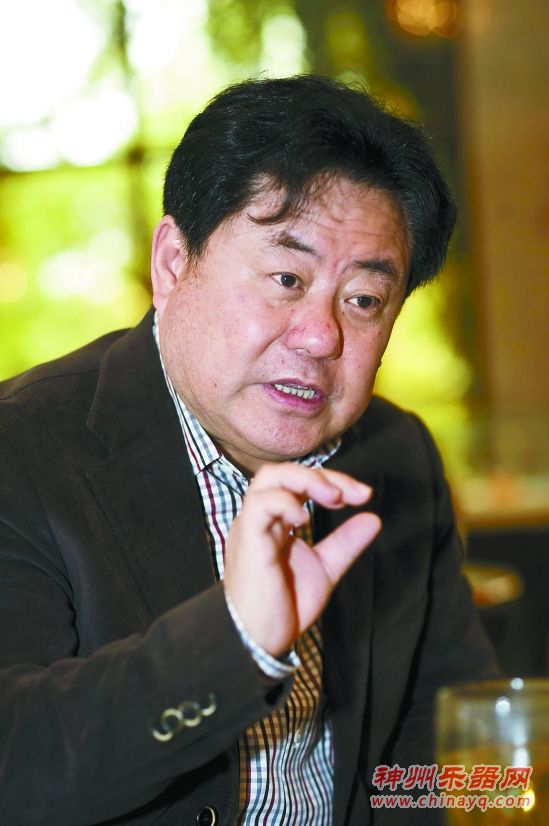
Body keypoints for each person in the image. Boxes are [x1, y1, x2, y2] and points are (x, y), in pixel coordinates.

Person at [0, 75, 497, 825]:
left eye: (363, 300)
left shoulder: (394, 459)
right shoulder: (22, 452)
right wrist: (235, 645)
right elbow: (15, 763)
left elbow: (435, 753)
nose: (321, 336)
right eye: (286, 278)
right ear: (174, 262)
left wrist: (496, 791)